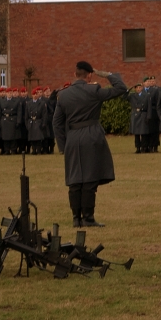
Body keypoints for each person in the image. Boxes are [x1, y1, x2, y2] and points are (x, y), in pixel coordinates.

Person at [52, 61, 127, 227]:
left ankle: (76, 218)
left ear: (75, 75)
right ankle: (88, 217)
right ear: (90, 75)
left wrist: (63, 146)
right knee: (90, 179)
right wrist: (108, 75)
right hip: (91, 136)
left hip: (72, 138)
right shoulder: (94, 90)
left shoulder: (63, 94)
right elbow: (121, 88)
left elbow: (56, 123)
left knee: (75, 179)